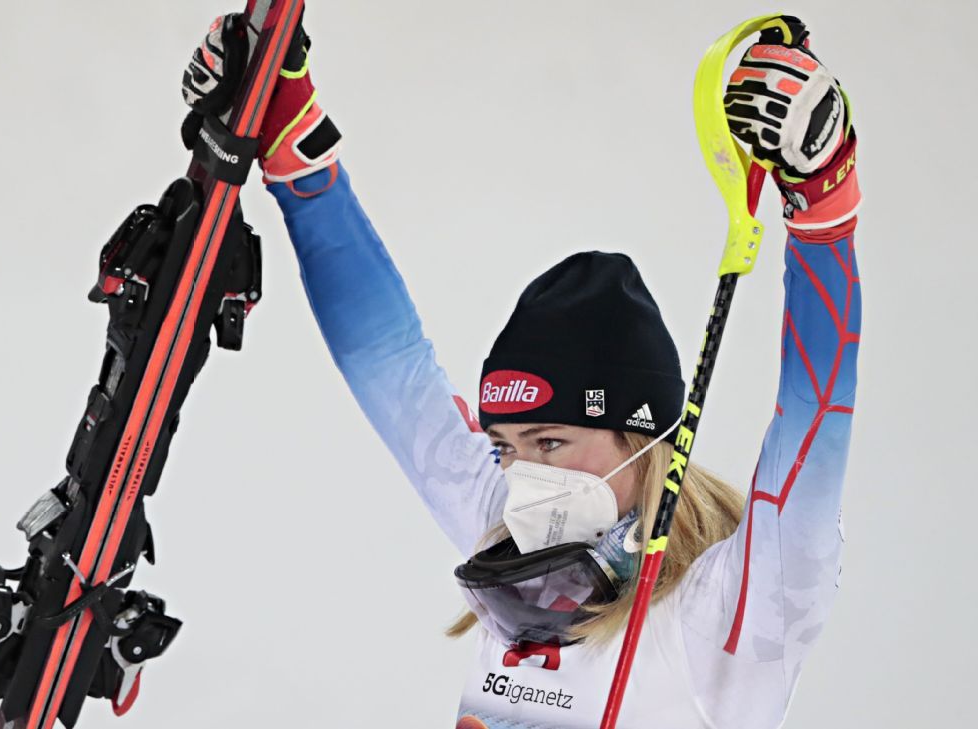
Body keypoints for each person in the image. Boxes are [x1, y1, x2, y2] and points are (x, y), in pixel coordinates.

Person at [182, 13, 861, 728]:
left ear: (641, 438)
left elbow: (814, 417)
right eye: (505, 446)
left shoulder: (735, 610)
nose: (521, 477)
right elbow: (390, 363)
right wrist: (298, 164)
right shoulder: (508, 531)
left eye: (550, 441)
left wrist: (822, 211)